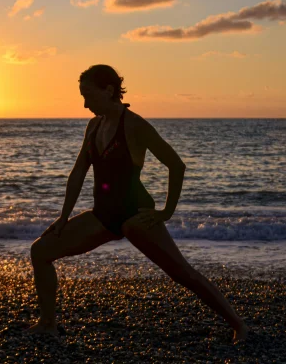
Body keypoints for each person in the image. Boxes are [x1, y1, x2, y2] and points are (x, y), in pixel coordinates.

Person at [27, 64, 248, 343]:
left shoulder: (134, 125)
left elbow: (176, 165)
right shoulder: (93, 126)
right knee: (41, 251)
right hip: (102, 216)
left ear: (108, 91)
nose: (84, 104)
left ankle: (239, 325)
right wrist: (63, 217)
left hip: (135, 216)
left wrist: (166, 212)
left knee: (182, 273)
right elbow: (78, 172)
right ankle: (48, 323)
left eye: (88, 95)